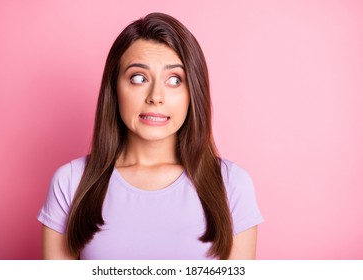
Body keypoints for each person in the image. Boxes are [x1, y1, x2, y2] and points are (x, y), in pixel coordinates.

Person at [37, 12, 263, 260]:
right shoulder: (70, 183)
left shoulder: (231, 185)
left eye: (175, 80)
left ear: (193, 93)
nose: (156, 96)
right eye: (138, 78)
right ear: (114, 88)